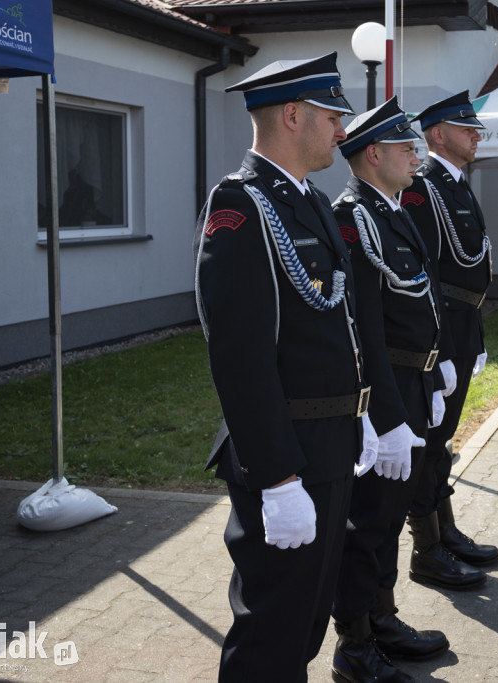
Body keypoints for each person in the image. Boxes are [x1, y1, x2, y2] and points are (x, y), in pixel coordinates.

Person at [194, 53, 376, 681]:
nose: (342, 132)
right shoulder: (241, 207)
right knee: (270, 635)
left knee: (303, 626)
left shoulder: (312, 203)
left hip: (329, 446)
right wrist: (276, 478)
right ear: (294, 115)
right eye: (333, 117)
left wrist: (365, 414)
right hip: (289, 456)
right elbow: (239, 356)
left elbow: (338, 321)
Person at [329, 98, 451, 683]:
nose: (417, 155)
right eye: (406, 147)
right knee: (369, 521)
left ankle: (383, 618)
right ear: (373, 154)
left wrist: (435, 368)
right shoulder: (355, 217)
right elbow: (365, 326)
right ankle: (354, 645)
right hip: (385, 388)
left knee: (392, 510)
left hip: (412, 379)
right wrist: (386, 412)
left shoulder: (393, 211)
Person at [401, 91, 498, 592]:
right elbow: (422, 272)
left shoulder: (456, 184)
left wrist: (474, 334)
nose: (476, 136)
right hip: (441, 330)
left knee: (445, 441)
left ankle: (446, 531)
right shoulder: (423, 186)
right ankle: (427, 550)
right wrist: (438, 345)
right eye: (467, 129)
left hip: (464, 325)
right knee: (431, 441)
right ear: (437, 134)